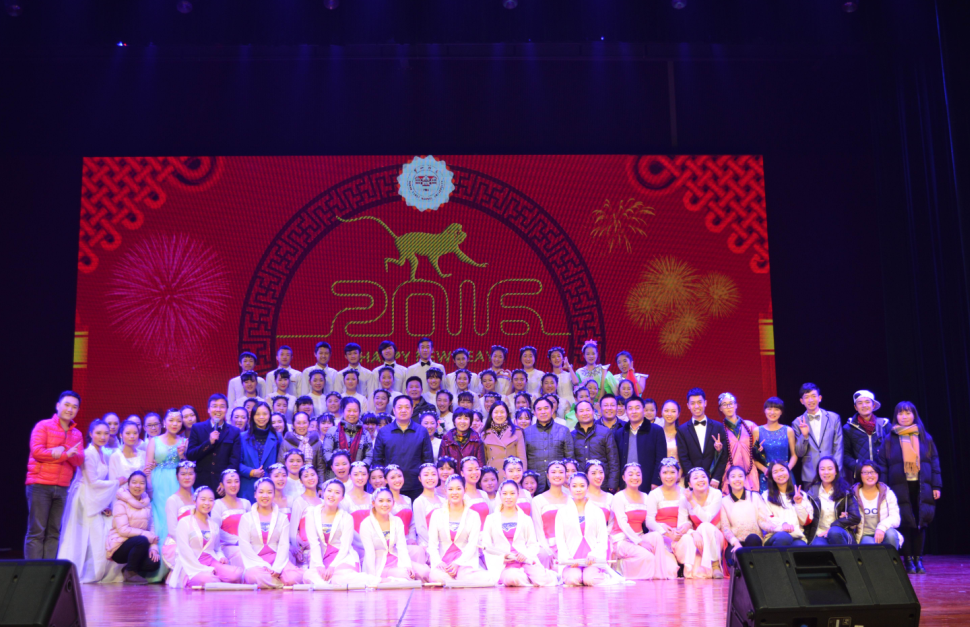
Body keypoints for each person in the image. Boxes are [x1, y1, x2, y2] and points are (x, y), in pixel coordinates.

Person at [57, 419, 127, 582]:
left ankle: (93, 571)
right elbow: (93, 482)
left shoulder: (102, 453)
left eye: (106, 433)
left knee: (96, 535)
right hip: (84, 498)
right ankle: (72, 572)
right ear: (90, 434)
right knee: (80, 536)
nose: (103, 437)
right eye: (98, 433)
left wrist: (104, 503)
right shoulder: (88, 454)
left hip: (94, 498)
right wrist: (117, 482)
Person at [878, 401, 941, 574]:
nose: (904, 417)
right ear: (896, 416)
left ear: (914, 415)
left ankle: (918, 560)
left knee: (921, 523)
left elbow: (934, 463)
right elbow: (883, 466)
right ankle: (908, 561)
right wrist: (883, 489)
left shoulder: (925, 437)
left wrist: (936, 485)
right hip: (899, 486)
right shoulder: (889, 439)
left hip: (922, 485)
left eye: (907, 413)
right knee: (904, 523)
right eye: (900, 413)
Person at [24, 390, 85, 559]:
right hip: (40, 485)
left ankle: (48, 571)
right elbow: (37, 452)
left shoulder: (77, 434)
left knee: (54, 532)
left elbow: (79, 460)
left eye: (74, 407)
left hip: (63, 488)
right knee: (37, 531)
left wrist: (64, 450)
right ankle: (33, 572)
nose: (70, 409)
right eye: (67, 405)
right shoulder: (43, 426)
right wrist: (66, 454)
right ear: (58, 406)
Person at [482, 480, 557, 586]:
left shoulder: (526, 519)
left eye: (512, 493)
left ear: (518, 495)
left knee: (544, 580)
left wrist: (525, 554)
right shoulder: (491, 519)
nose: (508, 497)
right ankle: (527, 579)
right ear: (500, 495)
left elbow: (532, 544)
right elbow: (486, 547)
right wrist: (501, 558)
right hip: (504, 564)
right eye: (505, 493)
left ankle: (536, 576)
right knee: (513, 578)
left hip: (524, 560)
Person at [611, 462, 676, 580]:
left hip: (639, 536)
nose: (635, 477)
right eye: (631, 474)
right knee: (647, 557)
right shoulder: (618, 497)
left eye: (638, 474)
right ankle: (620, 568)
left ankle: (659, 574)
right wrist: (639, 542)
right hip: (622, 540)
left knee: (657, 536)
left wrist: (662, 526)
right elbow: (623, 524)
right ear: (624, 477)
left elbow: (649, 520)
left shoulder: (645, 496)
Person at [169, 486, 243, 588]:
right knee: (211, 580)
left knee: (236, 574)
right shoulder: (184, 522)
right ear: (195, 501)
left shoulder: (214, 525)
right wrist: (204, 569)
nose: (207, 503)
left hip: (210, 561)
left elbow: (217, 549)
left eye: (211, 500)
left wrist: (221, 557)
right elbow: (184, 551)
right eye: (203, 499)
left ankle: (217, 581)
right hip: (191, 565)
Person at [427, 475, 494, 586]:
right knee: (436, 577)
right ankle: (458, 583)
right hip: (443, 564)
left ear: (465, 490)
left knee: (483, 578)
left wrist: (457, 564)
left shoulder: (473, 515)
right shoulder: (437, 514)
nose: (454, 492)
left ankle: (456, 582)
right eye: (451, 489)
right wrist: (438, 562)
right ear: (445, 491)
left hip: (464, 564)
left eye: (458, 489)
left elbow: (472, 545)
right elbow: (432, 545)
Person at [305, 479, 372, 588]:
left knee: (340, 578)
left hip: (342, 559)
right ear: (323, 493)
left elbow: (345, 547)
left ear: (342, 498)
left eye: (337, 492)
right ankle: (329, 585)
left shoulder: (347, 518)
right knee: (308, 575)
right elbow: (314, 543)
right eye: (329, 491)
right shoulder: (311, 514)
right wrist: (319, 565)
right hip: (321, 558)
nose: (332, 495)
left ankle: (378, 581)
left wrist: (332, 566)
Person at [237, 477, 304, 587]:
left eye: (269, 492)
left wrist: (277, 568)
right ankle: (280, 584)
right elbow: (244, 546)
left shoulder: (282, 518)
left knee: (294, 577)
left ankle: (273, 582)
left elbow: (283, 545)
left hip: (277, 559)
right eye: (261, 492)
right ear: (255, 495)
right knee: (255, 576)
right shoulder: (246, 518)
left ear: (273, 495)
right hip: (255, 561)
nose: (265, 495)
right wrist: (264, 565)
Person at [361, 487, 431, 583]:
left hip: (396, 559)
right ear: (373, 503)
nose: (385, 504)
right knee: (405, 575)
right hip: (378, 564)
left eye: (388, 501)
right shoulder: (366, 524)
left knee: (425, 572)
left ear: (393, 503)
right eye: (381, 501)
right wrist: (372, 579)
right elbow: (370, 553)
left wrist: (407, 566)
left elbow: (402, 547)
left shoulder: (397, 521)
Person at [373, 396, 435, 501]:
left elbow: (428, 460)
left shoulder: (422, 431)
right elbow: (377, 461)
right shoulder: (384, 432)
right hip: (390, 486)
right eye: (399, 407)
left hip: (416, 486)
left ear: (412, 409)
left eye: (407, 407)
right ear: (394, 410)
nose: (403, 410)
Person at [556, 473, 612, 586]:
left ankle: (602, 576)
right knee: (572, 580)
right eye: (574, 486)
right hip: (572, 560)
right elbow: (560, 540)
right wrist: (568, 559)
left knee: (591, 579)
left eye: (582, 486)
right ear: (569, 488)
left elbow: (602, 538)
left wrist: (594, 554)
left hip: (592, 559)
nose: (578, 489)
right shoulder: (562, 512)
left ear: (587, 487)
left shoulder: (597, 511)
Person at [106, 471, 160, 583]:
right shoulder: (120, 503)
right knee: (142, 540)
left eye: (142, 483)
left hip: (140, 544)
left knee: (153, 563)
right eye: (134, 482)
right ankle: (130, 573)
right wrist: (146, 535)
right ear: (128, 484)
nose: (138, 486)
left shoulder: (146, 502)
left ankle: (128, 569)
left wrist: (153, 548)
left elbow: (151, 526)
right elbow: (123, 530)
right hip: (120, 546)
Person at [644, 458, 693, 576]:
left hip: (680, 536)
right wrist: (666, 533)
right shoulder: (654, 494)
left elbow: (692, 516)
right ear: (659, 474)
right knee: (670, 572)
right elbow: (649, 521)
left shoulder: (685, 493)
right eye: (665, 472)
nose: (668, 476)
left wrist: (688, 525)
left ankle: (686, 568)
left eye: (672, 472)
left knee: (694, 568)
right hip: (662, 539)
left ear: (678, 474)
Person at [186, 394, 242, 493]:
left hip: (223, 486)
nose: (218, 410)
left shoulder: (234, 431)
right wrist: (209, 443)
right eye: (214, 406)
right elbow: (190, 455)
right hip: (201, 484)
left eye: (222, 406)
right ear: (208, 409)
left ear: (227, 410)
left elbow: (234, 461)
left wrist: (226, 481)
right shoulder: (197, 428)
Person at [793, 383, 843, 488]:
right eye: (806, 397)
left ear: (819, 398)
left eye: (813, 396)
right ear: (802, 401)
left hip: (832, 473)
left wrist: (836, 470)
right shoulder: (797, 422)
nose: (810, 400)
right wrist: (804, 436)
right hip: (810, 475)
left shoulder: (833, 418)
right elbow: (799, 453)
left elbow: (838, 446)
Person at [676, 388, 728, 490]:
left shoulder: (718, 427)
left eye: (699, 402)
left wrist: (716, 478)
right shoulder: (682, 430)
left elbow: (724, 455)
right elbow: (683, 457)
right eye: (693, 403)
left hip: (714, 482)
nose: (696, 406)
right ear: (688, 406)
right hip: (692, 483)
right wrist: (693, 478)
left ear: (705, 403)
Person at [720, 466, 774, 564]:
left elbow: (763, 521)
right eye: (733, 476)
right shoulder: (724, 501)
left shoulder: (755, 496)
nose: (737, 479)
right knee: (733, 558)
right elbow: (725, 528)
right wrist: (736, 543)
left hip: (754, 541)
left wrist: (779, 528)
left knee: (752, 540)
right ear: (727, 480)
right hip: (736, 542)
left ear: (745, 479)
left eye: (740, 476)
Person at [614, 396, 666, 492]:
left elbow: (661, 459)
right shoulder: (620, 433)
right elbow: (617, 461)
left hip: (648, 483)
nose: (634, 411)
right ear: (626, 411)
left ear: (643, 410)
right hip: (625, 484)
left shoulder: (656, 430)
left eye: (637, 408)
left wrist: (656, 481)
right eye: (630, 408)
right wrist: (616, 484)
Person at [682, 468, 726, 579]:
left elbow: (707, 519)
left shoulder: (716, 493)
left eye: (703, 476)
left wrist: (691, 501)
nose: (700, 479)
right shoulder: (684, 499)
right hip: (698, 539)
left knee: (705, 526)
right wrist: (693, 533)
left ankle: (715, 565)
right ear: (689, 484)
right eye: (696, 478)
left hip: (716, 536)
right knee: (696, 573)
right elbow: (681, 523)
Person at [805, 456, 859, 545]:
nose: (826, 472)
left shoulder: (846, 492)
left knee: (834, 532)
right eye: (822, 469)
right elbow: (806, 518)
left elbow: (856, 517)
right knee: (817, 545)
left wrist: (835, 525)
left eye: (830, 469)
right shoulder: (811, 493)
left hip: (840, 532)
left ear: (836, 471)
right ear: (818, 472)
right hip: (820, 533)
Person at [524, 396, 574, 492]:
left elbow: (569, 459)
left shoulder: (563, 431)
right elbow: (524, 459)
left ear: (552, 410)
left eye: (546, 408)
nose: (543, 412)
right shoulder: (526, 432)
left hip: (559, 482)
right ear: (534, 412)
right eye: (539, 409)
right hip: (535, 483)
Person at [843, 390, 891, 483]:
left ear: (873, 405)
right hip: (861, 476)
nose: (864, 405)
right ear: (855, 407)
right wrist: (857, 467)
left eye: (867, 402)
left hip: (883, 475)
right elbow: (845, 454)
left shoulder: (885, 425)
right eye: (860, 403)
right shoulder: (848, 428)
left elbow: (893, 450)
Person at [717, 393, 761, 493]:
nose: (728, 406)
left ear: (736, 405)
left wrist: (759, 450)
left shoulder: (750, 426)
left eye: (731, 403)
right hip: (730, 473)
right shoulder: (719, 429)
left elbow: (758, 451)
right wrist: (718, 451)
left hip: (750, 471)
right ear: (720, 408)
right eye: (724, 404)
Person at [571, 400, 620, 492]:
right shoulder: (572, 435)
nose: (585, 413)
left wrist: (612, 485)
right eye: (581, 411)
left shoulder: (605, 432)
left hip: (602, 484)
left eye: (588, 410)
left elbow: (613, 461)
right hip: (580, 485)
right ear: (576, 415)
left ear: (593, 412)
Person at [238, 402, 282, 501]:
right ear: (252, 416)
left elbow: (281, 463)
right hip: (247, 488)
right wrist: (252, 472)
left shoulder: (277, 436)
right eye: (257, 414)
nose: (261, 417)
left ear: (270, 416)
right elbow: (236, 463)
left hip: (270, 488)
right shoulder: (242, 437)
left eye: (265, 414)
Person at [852, 461, 902, 549]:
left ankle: (892, 558)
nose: (870, 475)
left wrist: (881, 528)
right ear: (860, 475)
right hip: (864, 535)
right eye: (865, 472)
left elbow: (896, 518)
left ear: (878, 474)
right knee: (871, 545)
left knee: (891, 535)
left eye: (873, 472)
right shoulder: (853, 494)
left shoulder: (887, 493)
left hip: (884, 531)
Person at [762, 462, 812, 546]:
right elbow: (765, 519)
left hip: (796, 536)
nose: (780, 474)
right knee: (784, 537)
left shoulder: (801, 494)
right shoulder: (765, 496)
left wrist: (799, 504)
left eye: (782, 470)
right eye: (775, 472)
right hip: (774, 536)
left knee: (801, 546)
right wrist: (783, 524)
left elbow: (805, 522)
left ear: (788, 472)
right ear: (771, 476)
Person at [532, 460, 570, 568]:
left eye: (561, 472)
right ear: (548, 476)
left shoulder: (572, 500)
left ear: (565, 475)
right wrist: (547, 549)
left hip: (568, 546)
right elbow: (538, 529)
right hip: (547, 547)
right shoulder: (538, 500)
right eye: (553, 472)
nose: (557, 475)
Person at [755, 397, 796, 493]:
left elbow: (794, 455)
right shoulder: (757, 431)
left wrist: (786, 470)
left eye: (776, 409)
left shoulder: (788, 430)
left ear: (781, 412)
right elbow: (753, 457)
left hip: (785, 475)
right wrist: (765, 470)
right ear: (764, 410)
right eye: (769, 409)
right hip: (767, 475)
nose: (772, 412)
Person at [212, 469, 251, 567]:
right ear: (222, 485)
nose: (233, 485)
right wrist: (237, 540)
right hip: (227, 546)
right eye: (229, 482)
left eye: (236, 481)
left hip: (246, 544)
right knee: (242, 554)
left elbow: (252, 527)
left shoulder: (246, 503)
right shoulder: (217, 504)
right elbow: (216, 530)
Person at [323, 397, 375, 472]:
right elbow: (326, 452)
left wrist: (358, 470)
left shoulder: (365, 433)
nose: (352, 414)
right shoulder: (333, 431)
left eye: (355, 411)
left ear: (359, 412)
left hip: (358, 474)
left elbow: (369, 456)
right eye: (349, 410)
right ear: (342, 411)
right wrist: (339, 467)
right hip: (336, 473)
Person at [162, 461, 198, 568]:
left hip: (197, 541)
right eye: (183, 474)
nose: (187, 477)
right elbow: (173, 530)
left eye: (190, 474)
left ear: (195, 476)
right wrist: (190, 544)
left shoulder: (199, 498)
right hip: (177, 543)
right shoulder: (173, 500)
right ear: (177, 477)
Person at [481, 402, 527, 482]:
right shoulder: (484, 434)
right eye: (496, 412)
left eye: (502, 412)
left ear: (507, 414)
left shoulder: (516, 432)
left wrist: (522, 479)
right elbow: (484, 461)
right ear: (491, 415)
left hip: (512, 476)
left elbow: (522, 458)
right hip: (493, 479)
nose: (499, 415)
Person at [288, 465, 322, 571]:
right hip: (305, 547)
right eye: (306, 476)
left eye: (312, 475)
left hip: (321, 544)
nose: (310, 478)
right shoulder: (299, 501)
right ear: (301, 481)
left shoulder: (323, 501)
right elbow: (293, 529)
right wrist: (298, 549)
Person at [413, 463, 444, 549]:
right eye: (426, 475)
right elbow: (421, 530)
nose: (430, 478)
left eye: (433, 474)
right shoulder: (419, 501)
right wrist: (435, 546)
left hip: (444, 544)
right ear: (420, 478)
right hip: (428, 545)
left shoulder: (443, 500)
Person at [546, 347, 579, 418]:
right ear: (550, 360)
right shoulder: (549, 377)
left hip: (571, 402)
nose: (556, 358)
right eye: (553, 357)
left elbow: (576, 382)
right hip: (558, 404)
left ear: (563, 358)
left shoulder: (569, 374)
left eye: (559, 356)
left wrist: (569, 367)